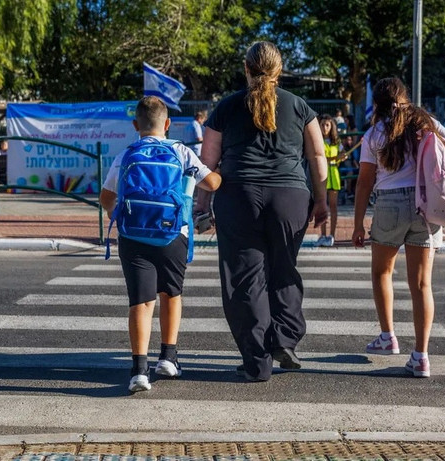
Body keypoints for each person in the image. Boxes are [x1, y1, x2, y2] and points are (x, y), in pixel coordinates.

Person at [196, 41, 328, 382]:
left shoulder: (225, 108)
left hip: (238, 196)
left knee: (244, 279)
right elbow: (317, 157)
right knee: (284, 268)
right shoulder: (300, 107)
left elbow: (207, 163)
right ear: (279, 70)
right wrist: (323, 200)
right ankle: (284, 338)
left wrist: (201, 206)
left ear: (246, 67)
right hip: (291, 197)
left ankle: (257, 359)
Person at [99, 96, 221, 392]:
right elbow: (213, 183)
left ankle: (139, 371)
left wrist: (118, 214)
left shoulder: (126, 154)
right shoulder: (180, 151)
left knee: (140, 303)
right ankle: (168, 357)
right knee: (171, 294)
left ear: (135, 125)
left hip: (133, 235)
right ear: (167, 124)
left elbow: (106, 197)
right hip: (172, 234)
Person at [352, 77, 445, 378]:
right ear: (405, 97)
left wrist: (357, 224)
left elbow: (364, 182)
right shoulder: (426, 123)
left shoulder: (373, 134)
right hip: (426, 205)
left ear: (376, 104)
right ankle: (421, 357)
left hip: (389, 204)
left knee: (381, 272)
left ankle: (387, 336)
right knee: (421, 285)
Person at [316, 114, 347, 246]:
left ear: (331, 126)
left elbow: (342, 153)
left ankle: (332, 235)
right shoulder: (317, 141)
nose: (324, 127)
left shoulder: (337, 142)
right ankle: (322, 235)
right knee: (322, 205)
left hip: (333, 175)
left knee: (333, 206)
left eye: (327, 125)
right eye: (322, 125)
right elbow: (318, 157)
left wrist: (343, 156)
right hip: (321, 175)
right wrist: (334, 158)